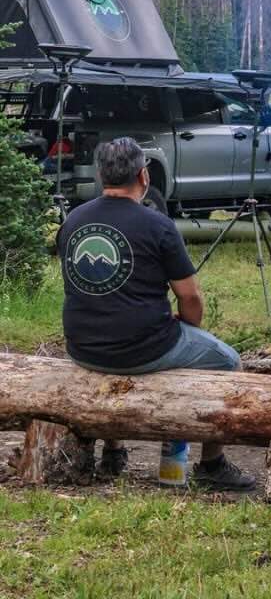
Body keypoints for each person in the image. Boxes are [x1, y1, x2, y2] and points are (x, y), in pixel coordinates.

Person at [56, 137, 256, 490]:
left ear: (102, 176)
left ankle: (113, 452)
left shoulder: (73, 220)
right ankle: (211, 465)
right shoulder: (159, 226)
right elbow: (190, 297)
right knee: (230, 362)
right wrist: (190, 331)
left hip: (82, 346)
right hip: (144, 348)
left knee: (116, 325)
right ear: (143, 176)